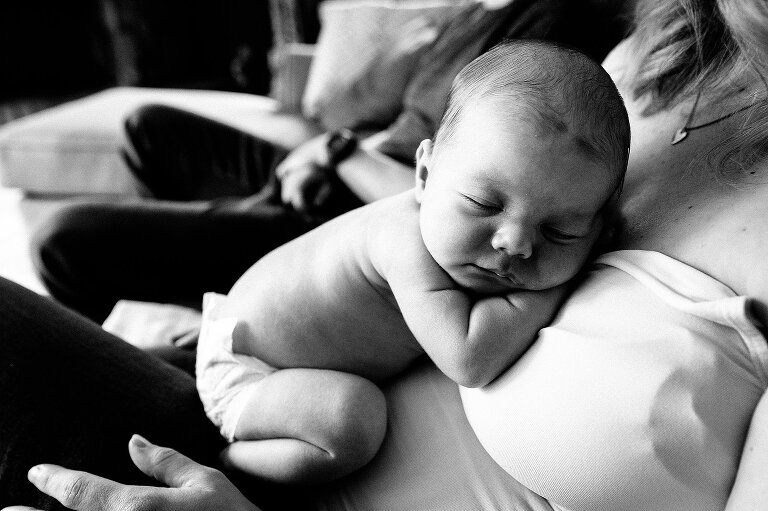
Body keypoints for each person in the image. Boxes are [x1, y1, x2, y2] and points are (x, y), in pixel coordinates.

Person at [3, 0, 768, 510]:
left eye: (568, 232)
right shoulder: (664, 47)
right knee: (64, 245)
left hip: (269, 478)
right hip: (271, 407)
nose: (518, 245)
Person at [195, 40, 629, 484]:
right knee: (352, 422)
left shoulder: (456, 229)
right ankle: (235, 461)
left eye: (560, 232)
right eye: (483, 203)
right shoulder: (402, 245)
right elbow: (469, 359)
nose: (515, 243)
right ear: (424, 176)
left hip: (267, 333)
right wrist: (561, 277)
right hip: (252, 370)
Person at [30, 0, 622, 324]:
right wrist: (327, 143)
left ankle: (227, 281)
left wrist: (336, 156)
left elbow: (477, 180)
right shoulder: (476, 15)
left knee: (62, 241)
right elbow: (392, 121)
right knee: (150, 128)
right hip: (355, 163)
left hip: (363, 207)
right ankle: (217, 255)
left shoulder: (554, 26)